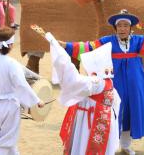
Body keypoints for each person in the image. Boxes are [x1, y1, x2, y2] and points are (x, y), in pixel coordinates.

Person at [59, 10, 144, 154]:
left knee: (130, 112)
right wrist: (66, 46)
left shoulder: (138, 41)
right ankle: (111, 146)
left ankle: (126, 145)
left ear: (130, 28)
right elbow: (88, 47)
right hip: (115, 84)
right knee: (114, 113)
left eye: (125, 26)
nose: (122, 28)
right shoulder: (107, 42)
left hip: (135, 84)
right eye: (119, 26)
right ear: (115, 28)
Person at [30, 25, 121, 155]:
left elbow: (73, 79)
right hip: (105, 121)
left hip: (90, 123)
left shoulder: (96, 82)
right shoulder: (108, 81)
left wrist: (57, 49)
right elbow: (117, 102)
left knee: (83, 146)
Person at [0, 26, 45, 155]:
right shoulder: (12, 63)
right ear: (11, 45)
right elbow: (22, 85)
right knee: (5, 144)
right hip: (9, 107)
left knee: (8, 143)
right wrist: (37, 100)